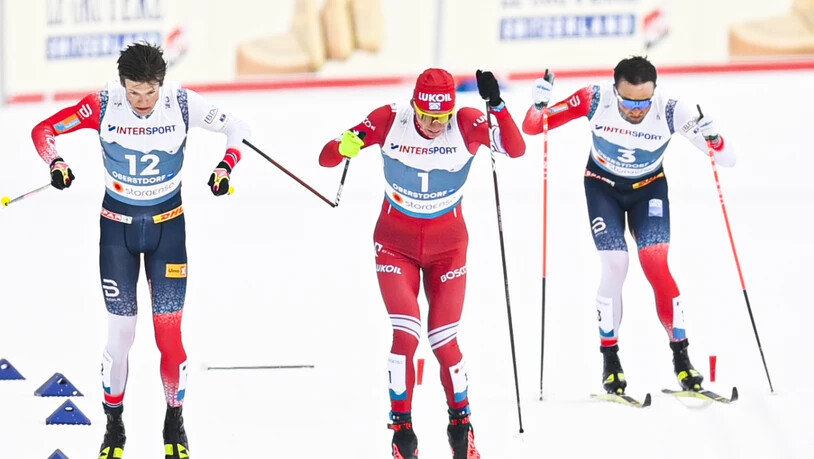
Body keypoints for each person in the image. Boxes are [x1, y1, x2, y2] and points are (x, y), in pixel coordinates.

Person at [30, 42, 251, 459]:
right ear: (121, 84)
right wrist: (55, 163)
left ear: (161, 85)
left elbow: (238, 128)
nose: (142, 102)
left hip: (169, 231)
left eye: (149, 92)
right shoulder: (101, 104)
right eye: (133, 92)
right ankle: (114, 428)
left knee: (169, 336)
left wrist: (226, 165)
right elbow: (43, 131)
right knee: (122, 335)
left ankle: (174, 422)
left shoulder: (182, 103)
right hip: (117, 232)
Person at [319, 68, 525, 458]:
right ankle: (403, 435)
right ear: (414, 105)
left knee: (444, 341)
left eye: (441, 117)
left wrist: (496, 106)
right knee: (406, 336)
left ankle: (461, 429)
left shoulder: (465, 123)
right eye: (427, 116)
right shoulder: (389, 119)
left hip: (448, 248)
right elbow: (327, 158)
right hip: (395, 245)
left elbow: (516, 149)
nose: (433, 125)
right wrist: (345, 145)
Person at [522, 56, 736, 396]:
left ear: (655, 92)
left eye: (643, 101)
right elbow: (534, 127)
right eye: (628, 101)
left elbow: (726, 159)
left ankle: (681, 358)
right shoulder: (594, 98)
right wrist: (537, 105)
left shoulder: (671, 110)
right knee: (615, 264)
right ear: (614, 90)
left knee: (655, 263)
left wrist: (715, 137)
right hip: (601, 186)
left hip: (647, 189)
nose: (636, 109)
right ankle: (611, 361)